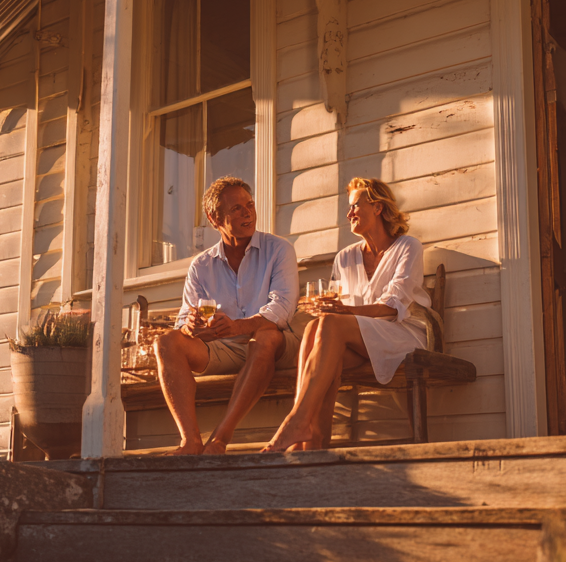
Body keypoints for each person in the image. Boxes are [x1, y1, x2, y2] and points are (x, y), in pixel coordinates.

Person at [263, 177, 430, 453]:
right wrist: (326, 309)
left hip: (402, 334)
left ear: (377, 207)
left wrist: (343, 313)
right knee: (317, 329)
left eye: (355, 205)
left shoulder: (407, 247)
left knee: (327, 325)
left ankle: (296, 421)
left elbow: (392, 307)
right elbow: (336, 305)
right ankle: (314, 445)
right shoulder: (345, 257)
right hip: (359, 339)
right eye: (348, 207)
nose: (349, 213)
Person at [153, 176, 300, 456]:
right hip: (224, 349)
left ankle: (220, 438)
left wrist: (236, 327)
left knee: (266, 336)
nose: (247, 213)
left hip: (277, 344)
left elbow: (281, 309)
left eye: (250, 205)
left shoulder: (279, 249)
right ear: (214, 218)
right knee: (166, 342)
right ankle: (190, 442)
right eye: (237, 209)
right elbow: (185, 317)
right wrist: (191, 327)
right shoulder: (201, 265)